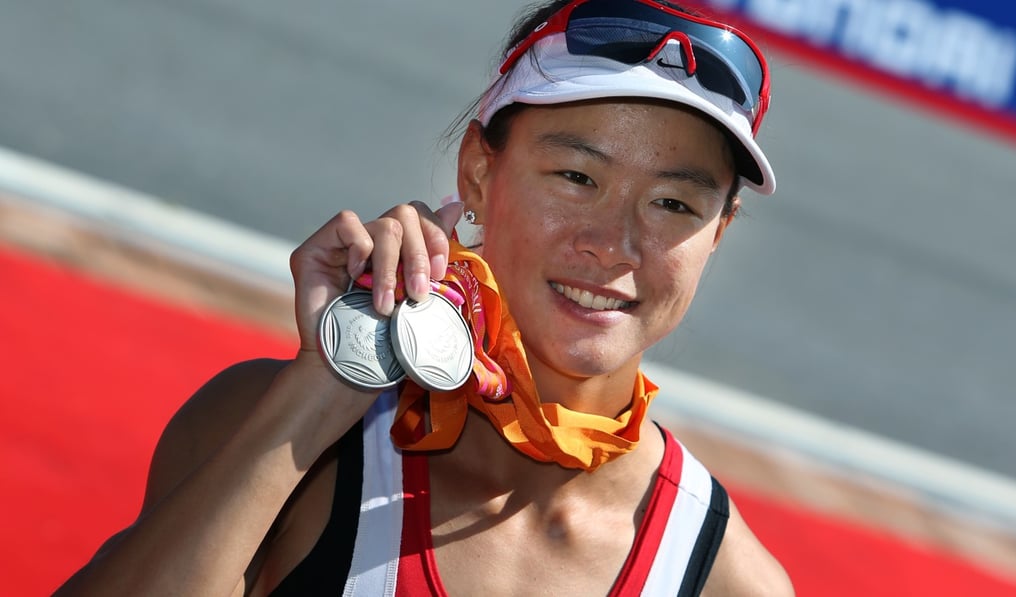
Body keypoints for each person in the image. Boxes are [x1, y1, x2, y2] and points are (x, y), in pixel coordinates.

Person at [57, 0, 793, 594]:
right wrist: (321, 390)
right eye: (576, 177)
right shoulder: (279, 438)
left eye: (674, 205)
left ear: (718, 233)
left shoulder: (725, 577)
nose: (614, 244)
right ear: (478, 173)